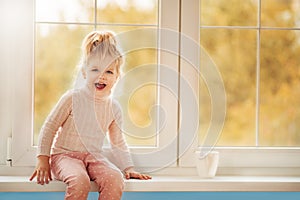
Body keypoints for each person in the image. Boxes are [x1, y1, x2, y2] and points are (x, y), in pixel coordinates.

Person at [30, 30, 151, 200]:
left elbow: (118, 143)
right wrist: (43, 158)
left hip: (93, 158)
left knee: (115, 178)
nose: (102, 76)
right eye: (95, 69)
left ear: (117, 77)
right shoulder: (73, 98)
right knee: (80, 181)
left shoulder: (113, 108)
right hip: (64, 156)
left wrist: (128, 168)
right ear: (85, 72)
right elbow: (50, 127)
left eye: (109, 72)